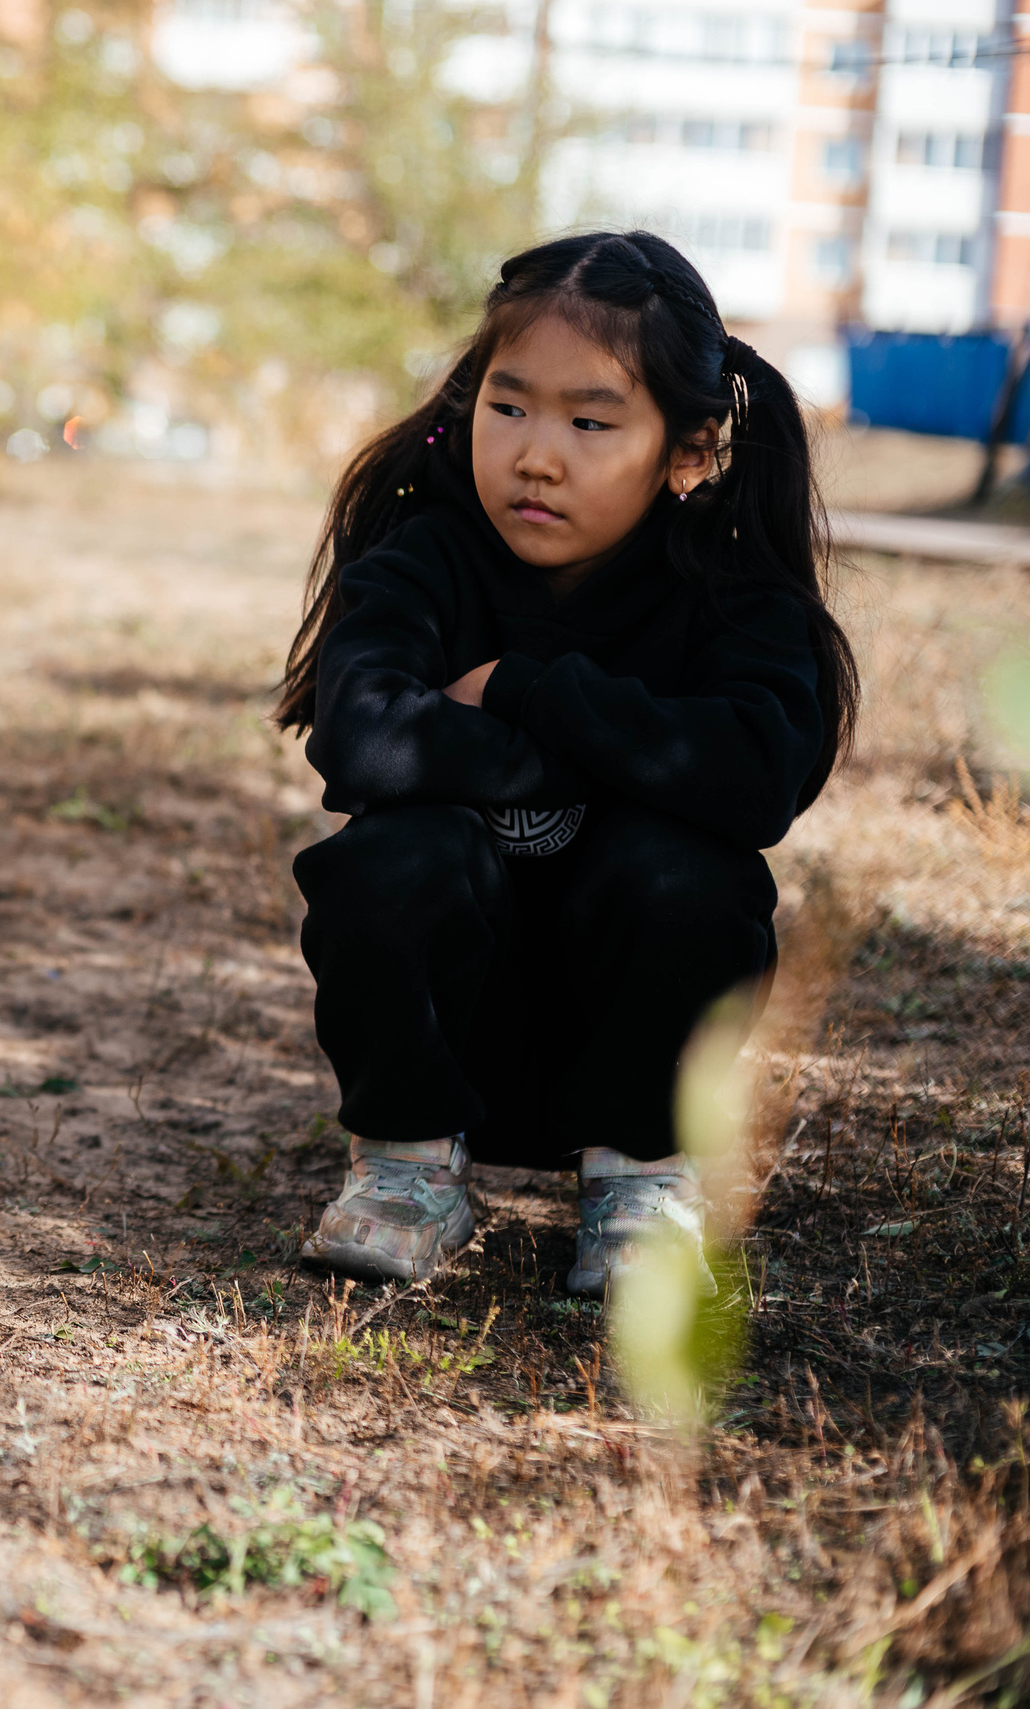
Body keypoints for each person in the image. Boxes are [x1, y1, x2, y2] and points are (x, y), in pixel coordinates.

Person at [273, 230, 858, 1297]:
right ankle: (406, 1172)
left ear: (686, 451)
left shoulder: (731, 595)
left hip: (636, 1038)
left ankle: (639, 1183)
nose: (537, 454)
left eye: (591, 421)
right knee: (385, 856)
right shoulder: (425, 557)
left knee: (687, 870)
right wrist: (624, 761)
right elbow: (357, 740)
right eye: (509, 406)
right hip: (452, 1042)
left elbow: (759, 775)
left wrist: (519, 689)